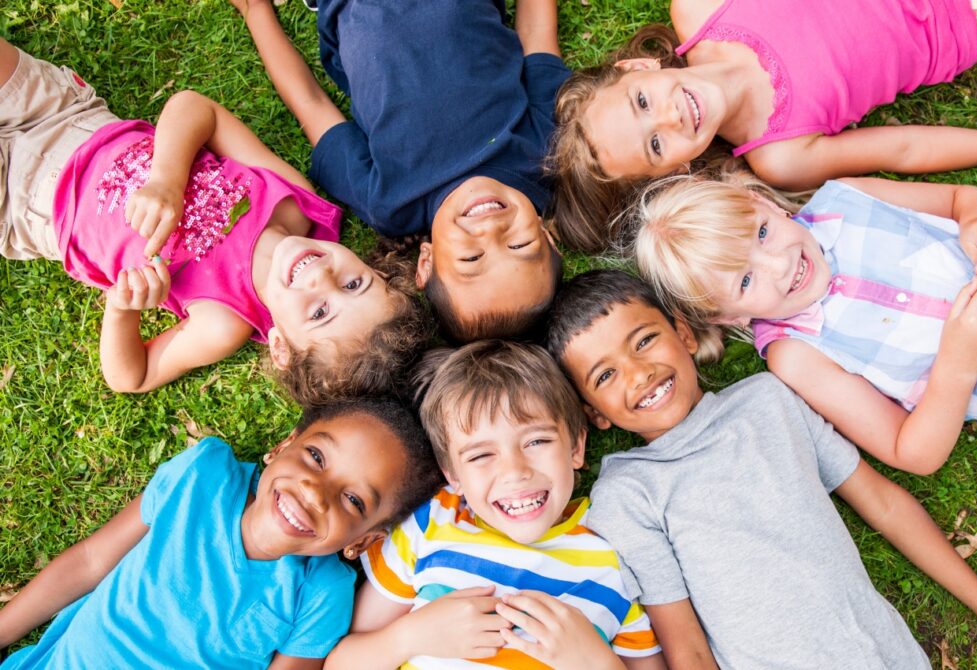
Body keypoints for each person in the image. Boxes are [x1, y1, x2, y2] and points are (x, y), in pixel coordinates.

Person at [545, 269, 977, 668]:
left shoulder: (769, 400)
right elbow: (685, 646)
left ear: (684, 334)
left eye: (644, 341)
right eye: (605, 375)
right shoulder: (628, 492)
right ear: (595, 413)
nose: (638, 373)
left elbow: (884, 504)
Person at [0, 39, 429, 400]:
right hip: (67, 115)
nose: (322, 279)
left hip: (26, 207)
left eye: (318, 312)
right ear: (375, 269)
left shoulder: (223, 321)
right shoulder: (293, 202)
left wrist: (121, 309)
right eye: (354, 284)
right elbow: (195, 108)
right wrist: (167, 179)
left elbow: (133, 376)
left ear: (280, 347)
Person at [629, 165, 977, 474]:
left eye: (762, 232)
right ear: (728, 316)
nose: (780, 263)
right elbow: (911, 452)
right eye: (746, 280)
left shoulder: (848, 198)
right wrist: (958, 365)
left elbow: (961, 199)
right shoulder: (797, 353)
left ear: (763, 203)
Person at [0, 397, 443, 668]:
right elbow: (90, 562)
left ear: (362, 540)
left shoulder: (322, 591)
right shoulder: (204, 476)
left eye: (354, 501)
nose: (315, 492)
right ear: (282, 446)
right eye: (315, 457)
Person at [548, 0, 977, 252]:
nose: (669, 118)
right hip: (967, 18)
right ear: (677, 168)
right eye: (655, 144)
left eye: (642, 102)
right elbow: (904, 148)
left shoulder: (700, 9)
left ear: (638, 69)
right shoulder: (780, 155)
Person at [228, 0, 568, 342]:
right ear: (549, 239)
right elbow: (536, 35)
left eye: (471, 257)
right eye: (521, 244)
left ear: (428, 263)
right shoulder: (543, 154)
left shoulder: (389, 203)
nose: (491, 230)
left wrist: (254, 11)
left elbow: (310, 104)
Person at [325, 340, 665, 669]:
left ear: (576, 447)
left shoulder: (614, 555)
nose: (515, 472)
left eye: (536, 441)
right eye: (482, 455)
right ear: (452, 474)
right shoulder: (434, 521)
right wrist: (410, 637)